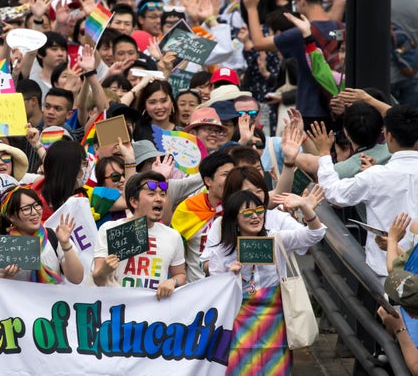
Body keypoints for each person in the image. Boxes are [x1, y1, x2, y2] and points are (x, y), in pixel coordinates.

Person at [206, 189, 326, 375]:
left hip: (275, 318)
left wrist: (304, 206)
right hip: (238, 319)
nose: (255, 217)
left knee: (274, 368)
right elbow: (214, 290)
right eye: (247, 213)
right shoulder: (222, 251)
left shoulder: (276, 238)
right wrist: (228, 277)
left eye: (259, 211)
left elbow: (315, 234)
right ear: (233, 219)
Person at [316, 105, 418, 278]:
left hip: (384, 270)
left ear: (388, 136)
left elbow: (333, 192)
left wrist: (324, 153)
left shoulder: (375, 175)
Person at [243, 0, 343, 129]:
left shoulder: (300, 33)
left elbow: (258, 43)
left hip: (311, 110)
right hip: (339, 108)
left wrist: (251, 8)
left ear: (301, 1)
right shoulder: (340, 30)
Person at [93, 171, 187, 296]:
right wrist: (105, 269)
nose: (159, 199)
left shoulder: (173, 236)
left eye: (163, 194)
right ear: (134, 202)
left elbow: (180, 275)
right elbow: (97, 279)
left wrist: (172, 281)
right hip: (118, 310)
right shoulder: (109, 229)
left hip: (155, 312)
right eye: (151, 194)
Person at [0, 186, 84, 284]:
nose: (34, 212)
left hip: (54, 299)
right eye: (26, 209)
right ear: (10, 216)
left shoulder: (54, 236)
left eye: (36, 205)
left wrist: (65, 244)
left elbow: (76, 278)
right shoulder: (2, 247)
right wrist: (8, 275)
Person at [171, 152, 234, 282]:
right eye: (225, 174)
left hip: (233, 289)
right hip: (195, 291)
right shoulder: (189, 208)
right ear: (208, 181)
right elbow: (172, 251)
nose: (231, 179)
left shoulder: (242, 209)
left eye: (233, 175)